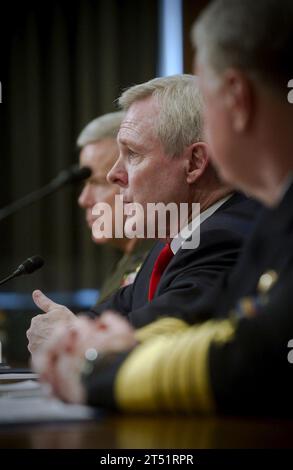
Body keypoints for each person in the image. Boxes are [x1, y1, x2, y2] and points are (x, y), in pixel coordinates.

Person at [27, 74, 260, 356]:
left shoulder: (225, 237)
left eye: (132, 154)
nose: (115, 174)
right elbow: (113, 315)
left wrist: (73, 338)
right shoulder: (171, 246)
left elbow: (157, 340)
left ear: (195, 162)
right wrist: (73, 330)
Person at [78, 112, 154, 303]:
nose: (83, 199)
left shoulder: (162, 260)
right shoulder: (128, 261)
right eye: (85, 184)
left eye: (99, 183)